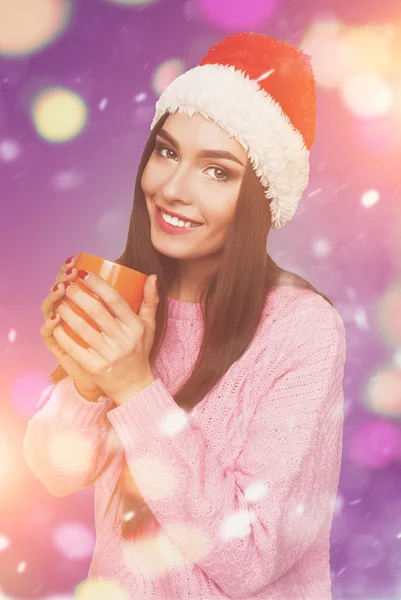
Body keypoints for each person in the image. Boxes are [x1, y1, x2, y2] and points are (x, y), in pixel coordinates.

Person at [23, 32, 347, 599]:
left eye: (217, 171)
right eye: (168, 151)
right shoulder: (128, 294)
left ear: (261, 198)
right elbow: (56, 473)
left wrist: (133, 387)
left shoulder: (304, 330)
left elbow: (247, 558)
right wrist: (82, 378)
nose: (172, 189)